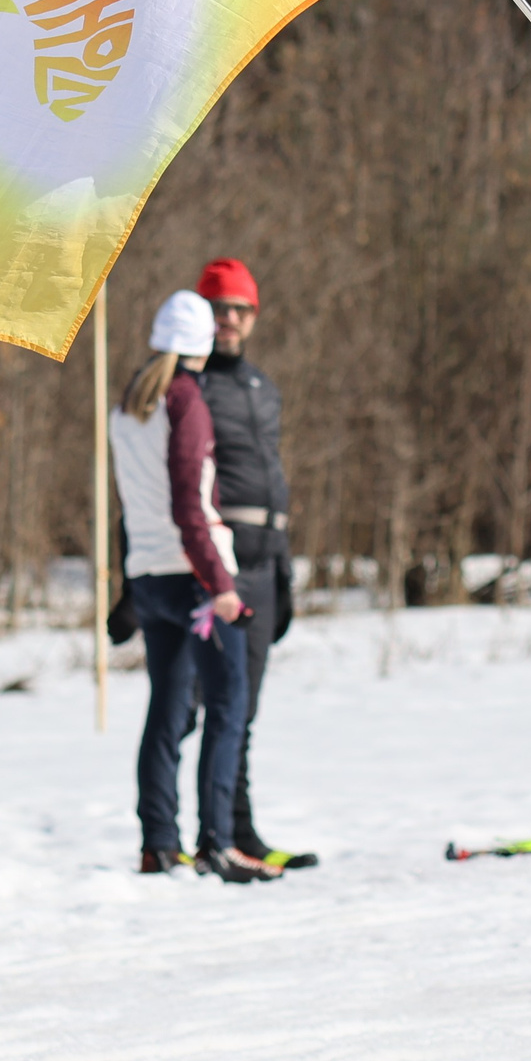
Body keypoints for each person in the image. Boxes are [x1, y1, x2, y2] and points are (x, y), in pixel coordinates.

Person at [110, 290, 278, 884]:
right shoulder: (186, 400)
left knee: (166, 708)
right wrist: (221, 584)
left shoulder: (131, 402)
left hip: (150, 576)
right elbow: (191, 503)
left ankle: (159, 844)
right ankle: (218, 843)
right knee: (228, 704)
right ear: (203, 343)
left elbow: (135, 503)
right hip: (195, 579)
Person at [190, 257, 314, 871]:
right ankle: (204, 833)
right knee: (207, 706)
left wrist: (286, 572)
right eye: (218, 309)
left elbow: (276, 478)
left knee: (246, 710)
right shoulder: (193, 387)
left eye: (239, 309)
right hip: (223, 562)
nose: (229, 320)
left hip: (269, 561)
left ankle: (241, 829)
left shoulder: (265, 388)